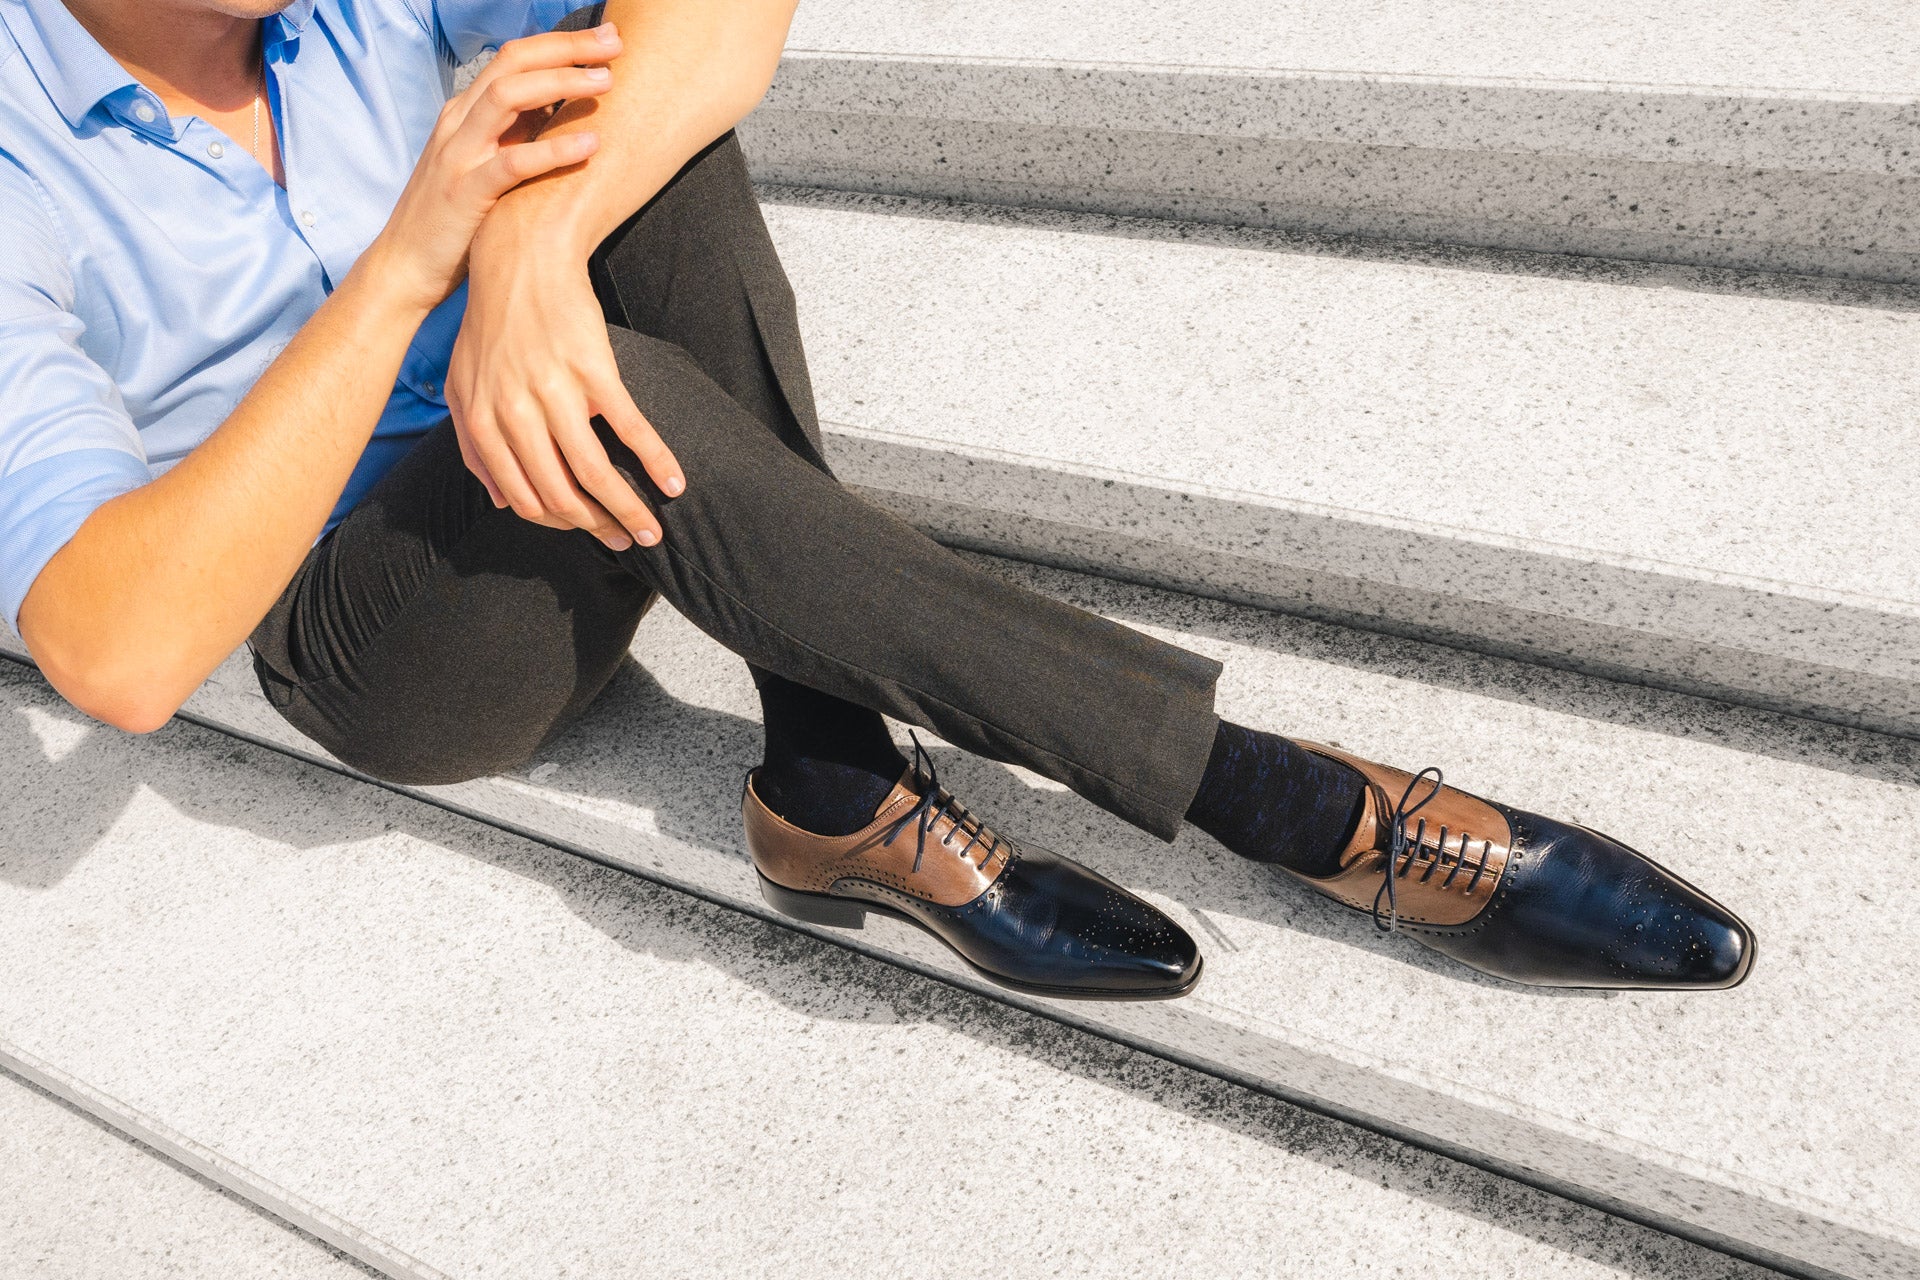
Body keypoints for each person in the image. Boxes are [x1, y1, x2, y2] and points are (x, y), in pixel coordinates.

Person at [0, 0, 1755, 997]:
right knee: (631, 372)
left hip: (572, 433)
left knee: (642, 145)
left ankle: (830, 776)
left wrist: (527, 245)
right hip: (387, 625)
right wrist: (411, 269)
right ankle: (1281, 800)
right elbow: (116, 653)